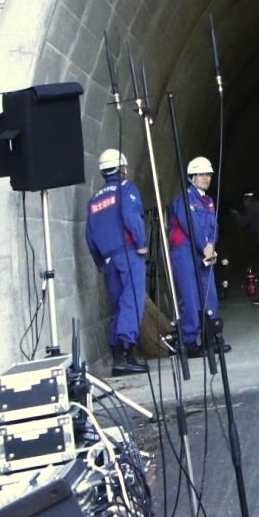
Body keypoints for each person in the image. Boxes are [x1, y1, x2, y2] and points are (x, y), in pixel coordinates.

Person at [85, 149, 149, 377]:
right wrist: (141, 242)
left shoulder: (94, 200)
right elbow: (132, 217)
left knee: (119, 304)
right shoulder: (126, 189)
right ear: (122, 167)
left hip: (109, 259)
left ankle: (116, 353)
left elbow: (90, 235)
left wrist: (99, 260)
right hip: (129, 253)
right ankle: (125, 352)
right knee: (132, 300)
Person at [168, 156, 229, 357]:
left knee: (209, 293)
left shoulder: (208, 202)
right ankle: (189, 342)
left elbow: (214, 226)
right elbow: (190, 225)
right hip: (184, 251)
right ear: (192, 177)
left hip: (203, 251)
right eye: (201, 174)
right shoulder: (184, 200)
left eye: (208, 174)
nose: (205, 178)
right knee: (190, 296)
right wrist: (205, 246)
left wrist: (211, 243)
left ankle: (210, 337)